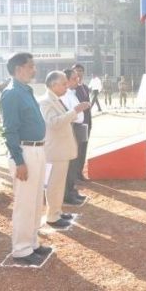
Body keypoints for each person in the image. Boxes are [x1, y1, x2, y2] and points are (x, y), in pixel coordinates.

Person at [0, 52, 50, 266]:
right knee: (25, 203)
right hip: (25, 153)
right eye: (31, 66)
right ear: (19, 69)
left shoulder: (25, 90)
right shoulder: (11, 93)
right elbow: (10, 130)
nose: (34, 69)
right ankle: (21, 249)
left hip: (38, 150)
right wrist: (19, 161)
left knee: (36, 200)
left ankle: (32, 242)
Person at [39, 71, 89, 227]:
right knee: (54, 184)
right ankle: (52, 216)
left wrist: (74, 112)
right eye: (63, 83)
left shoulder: (56, 99)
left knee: (59, 184)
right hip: (55, 151)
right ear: (53, 85)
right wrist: (75, 111)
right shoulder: (46, 101)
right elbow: (53, 123)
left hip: (61, 150)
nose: (66, 86)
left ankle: (57, 211)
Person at [61, 68, 90, 205]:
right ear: (66, 80)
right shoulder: (63, 95)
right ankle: (67, 194)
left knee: (74, 163)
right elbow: (66, 115)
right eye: (74, 78)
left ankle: (72, 191)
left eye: (77, 78)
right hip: (70, 129)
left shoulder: (72, 93)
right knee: (69, 164)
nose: (77, 80)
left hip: (76, 128)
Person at [73, 64, 91, 182]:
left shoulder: (84, 86)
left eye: (81, 71)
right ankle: (74, 175)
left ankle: (79, 173)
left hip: (87, 122)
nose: (79, 73)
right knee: (76, 149)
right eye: (76, 71)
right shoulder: (71, 88)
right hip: (77, 123)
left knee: (83, 148)